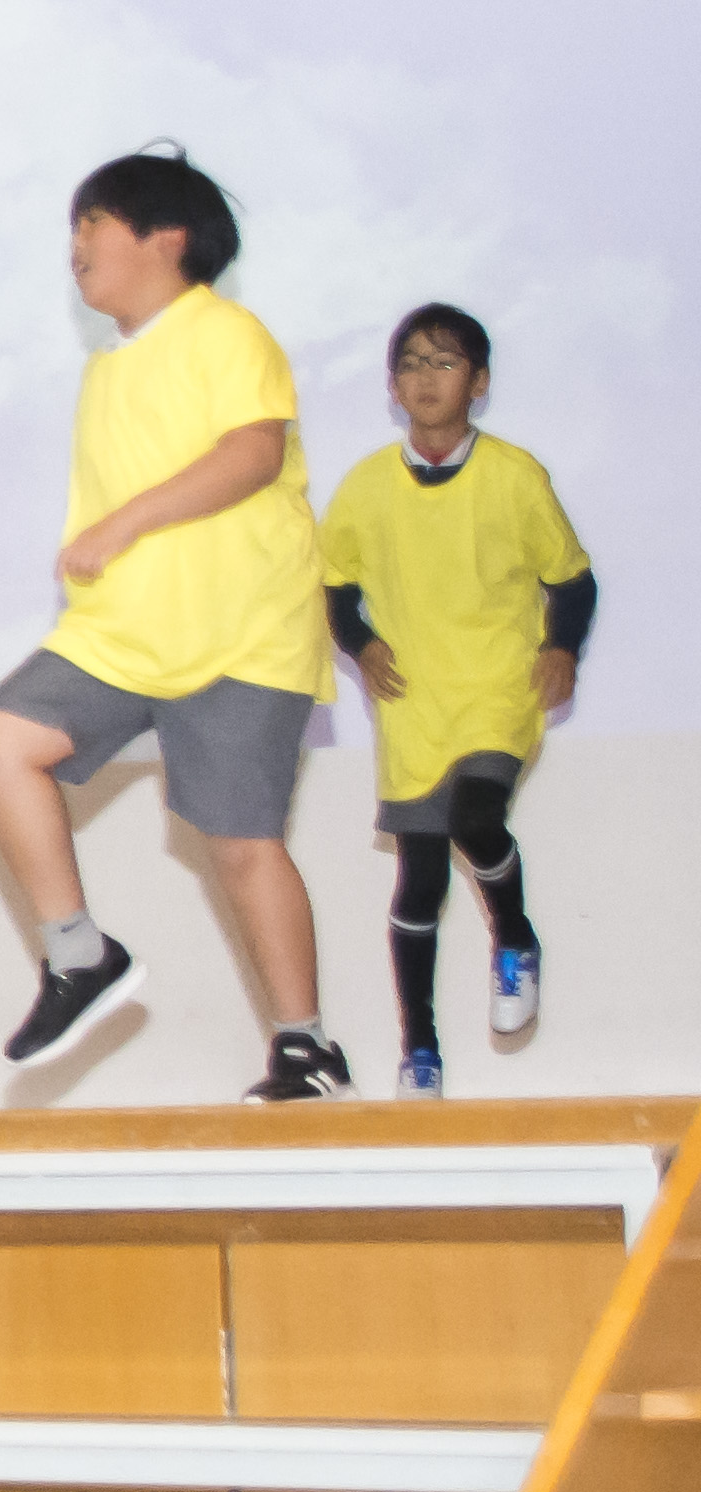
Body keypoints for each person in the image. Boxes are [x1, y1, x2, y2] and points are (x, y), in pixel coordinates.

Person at [0, 148, 346, 1101]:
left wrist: (124, 523)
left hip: (242, 631)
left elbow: (253, 454)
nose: (76, 244)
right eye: (73, 227)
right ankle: (78, 955)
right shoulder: (103, 370)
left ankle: (305, 1047)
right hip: (125, 632)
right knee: (0, 737)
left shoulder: (226, 331)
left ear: (167, 238)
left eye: (94, 221)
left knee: (241, 845)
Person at [319, 304, 596, 1096]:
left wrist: (560, 647)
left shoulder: (515, 475)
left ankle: (514, 937)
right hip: (414, 700)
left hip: (496, 687)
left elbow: (572, 579)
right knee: (420, 881)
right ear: (391, 385)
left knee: (477, 817)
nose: (425, 377)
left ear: (478, 382)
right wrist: (361, 643)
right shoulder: (367, 485)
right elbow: (336, 587)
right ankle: (421, 1051)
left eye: (444, 362)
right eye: (410, 363)